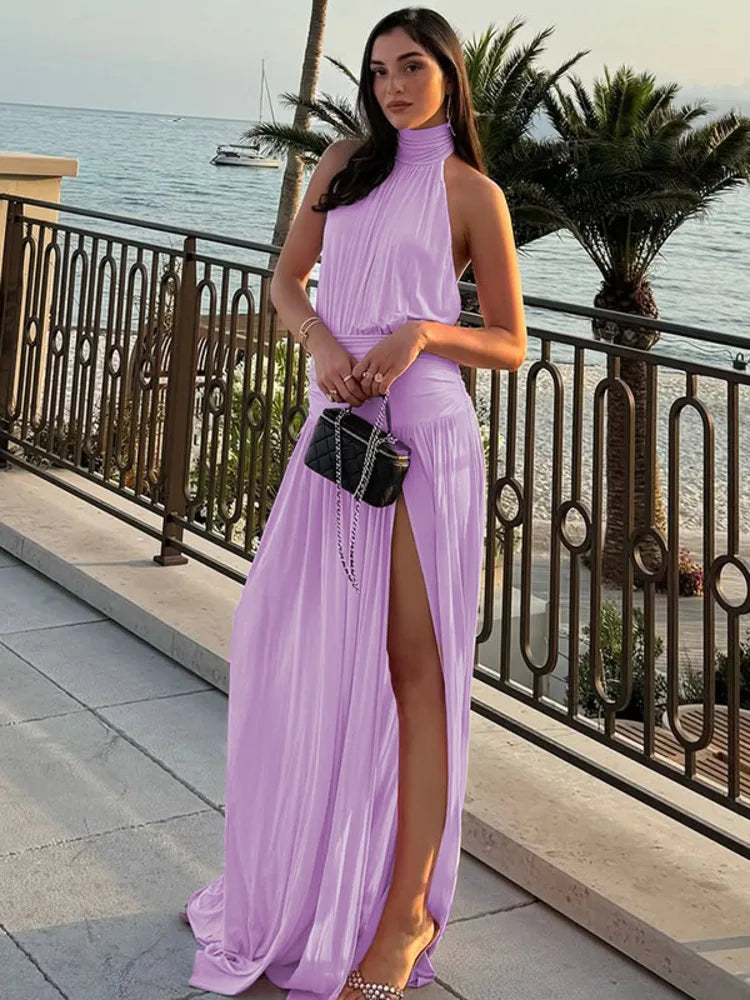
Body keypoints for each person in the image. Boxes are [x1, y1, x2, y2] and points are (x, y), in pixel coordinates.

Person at [180, 7, 527, 999]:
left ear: (450, 77)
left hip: (428, 443)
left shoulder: (475, 194)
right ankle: (309, 878)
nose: (392, 86)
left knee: (412, 667)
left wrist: (422, 332)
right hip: (338, 437)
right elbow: (288, 283)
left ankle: (406, 913)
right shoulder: (343, 163)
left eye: (412, 67)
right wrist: (326, 348)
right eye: (378, 71)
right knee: (300, 645)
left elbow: (509, 340)